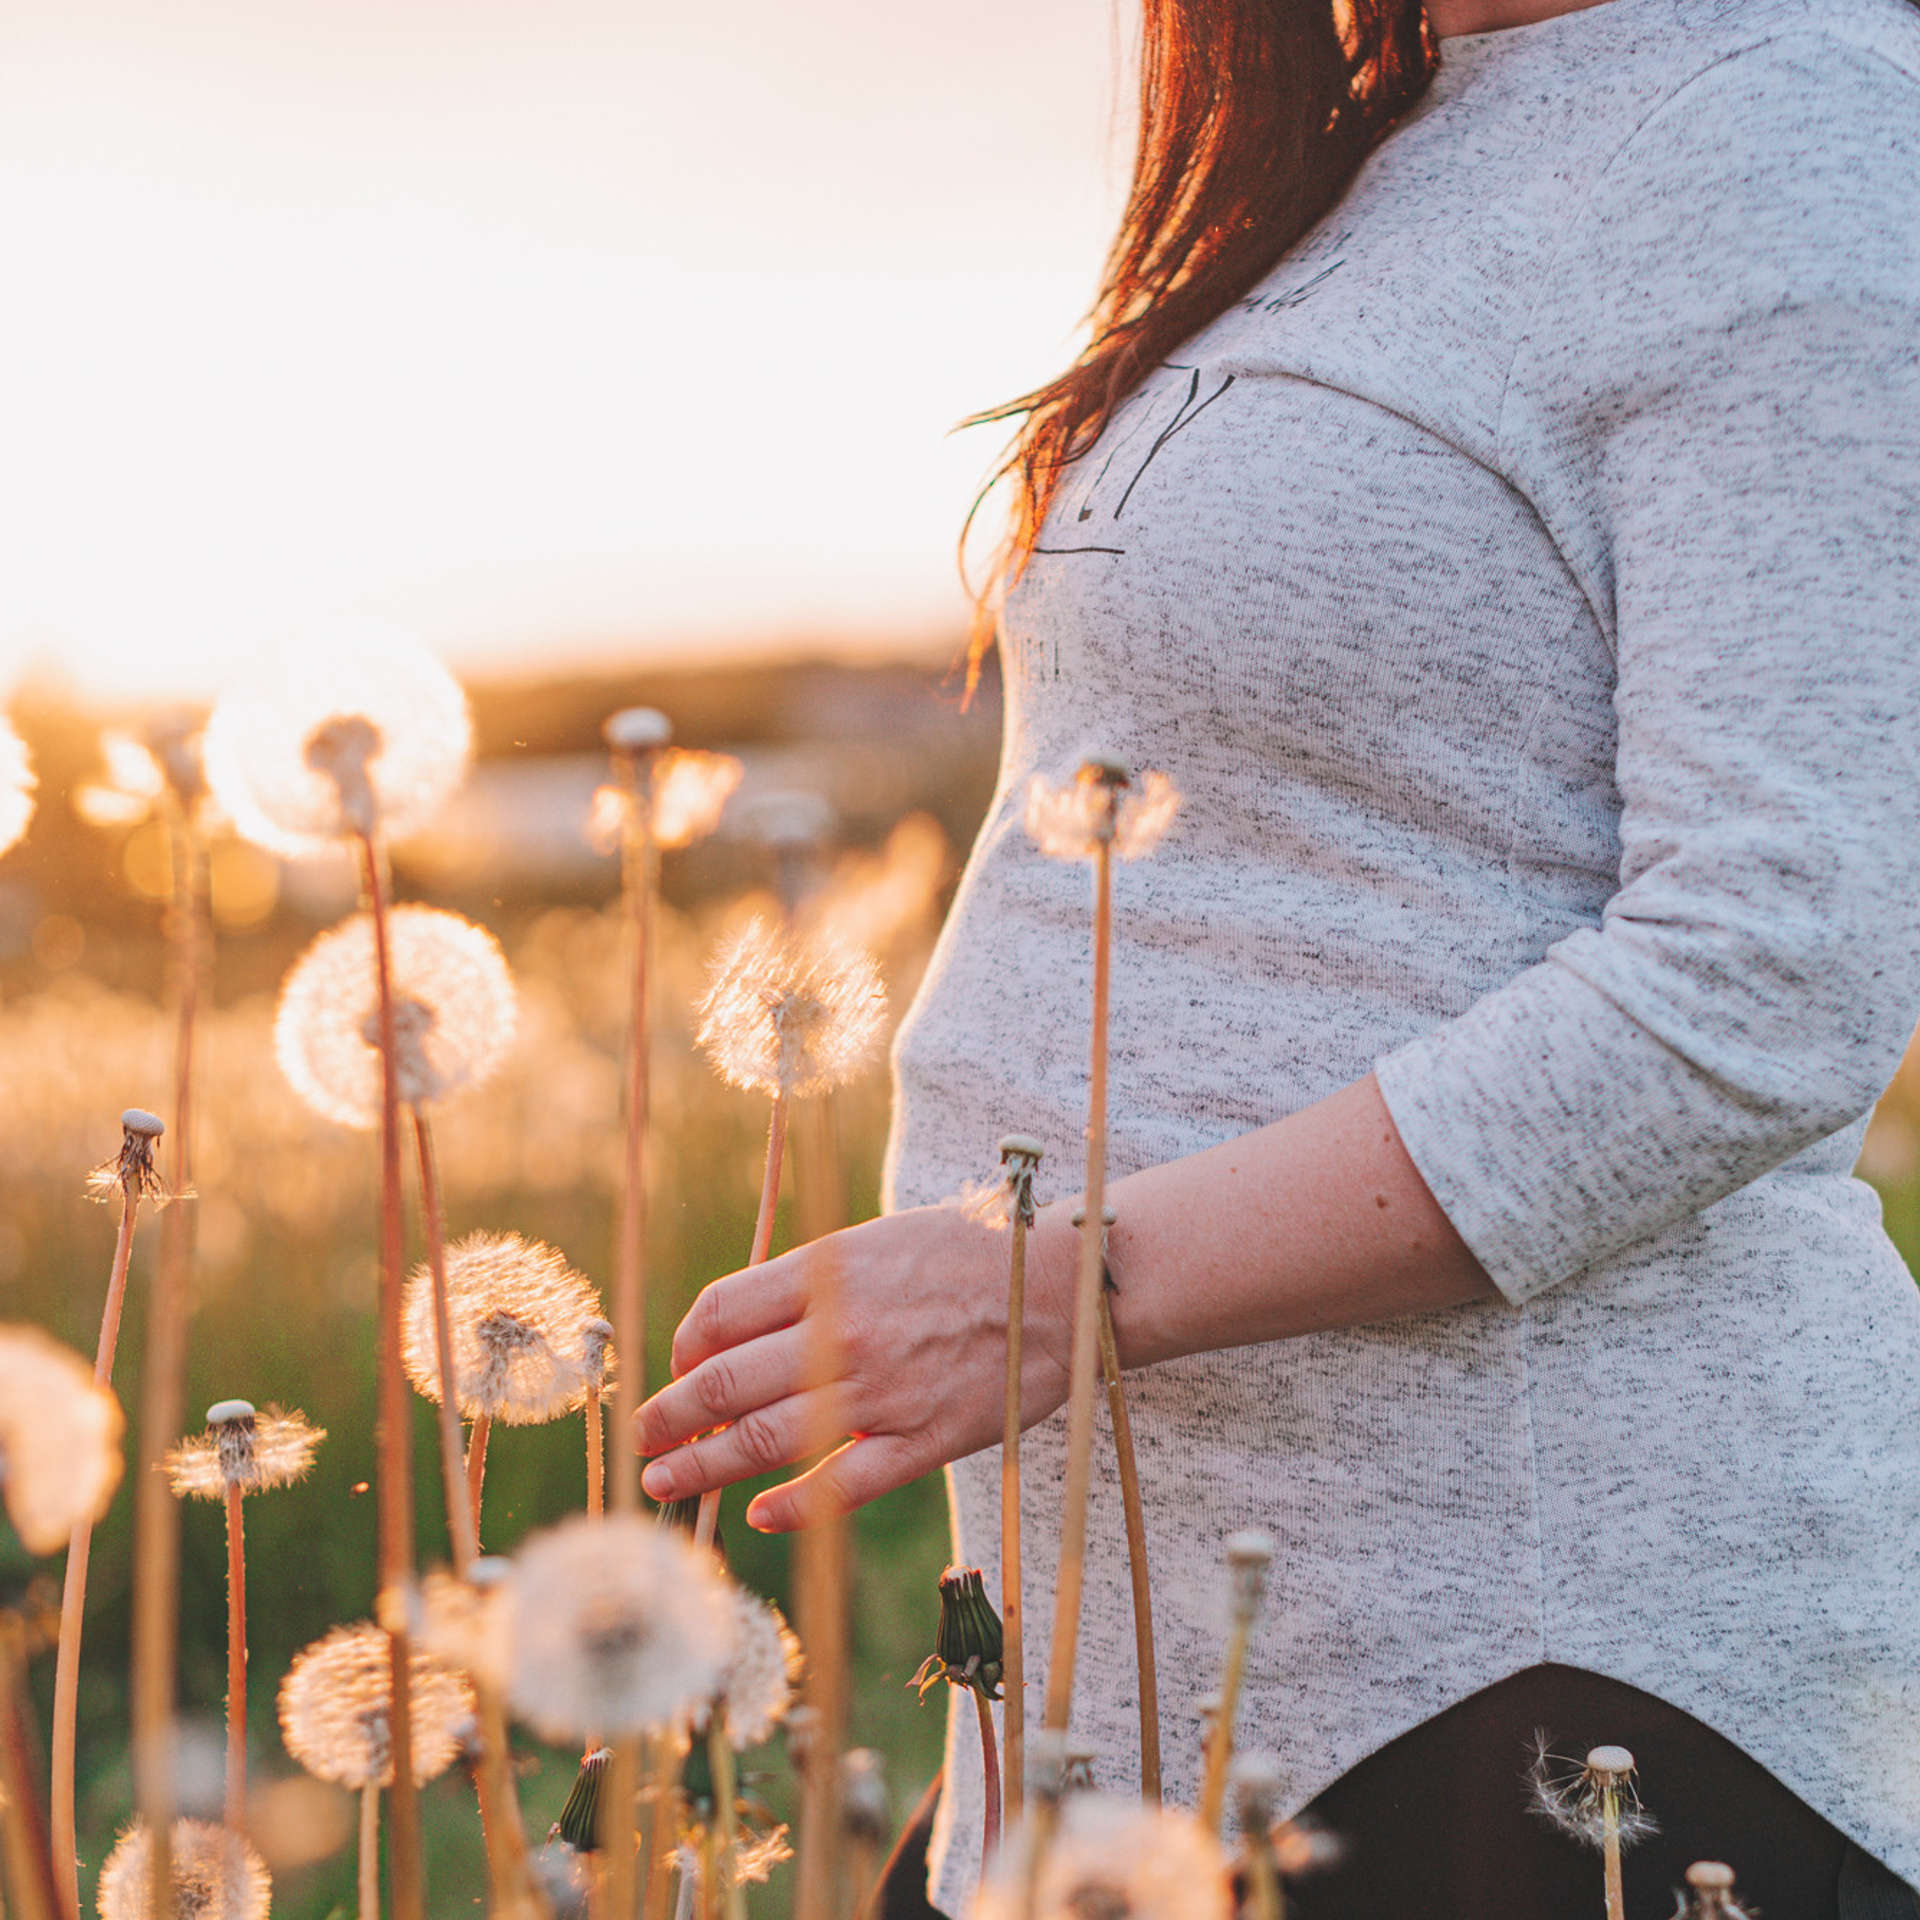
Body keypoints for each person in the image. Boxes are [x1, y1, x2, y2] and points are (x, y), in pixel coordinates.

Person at [635, 0, 1920, 1906]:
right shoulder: (1378, 135)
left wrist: (1063, 1290)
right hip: (1144, 1688)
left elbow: (1769, 973)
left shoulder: (1778, 115)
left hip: (1538, 1694)